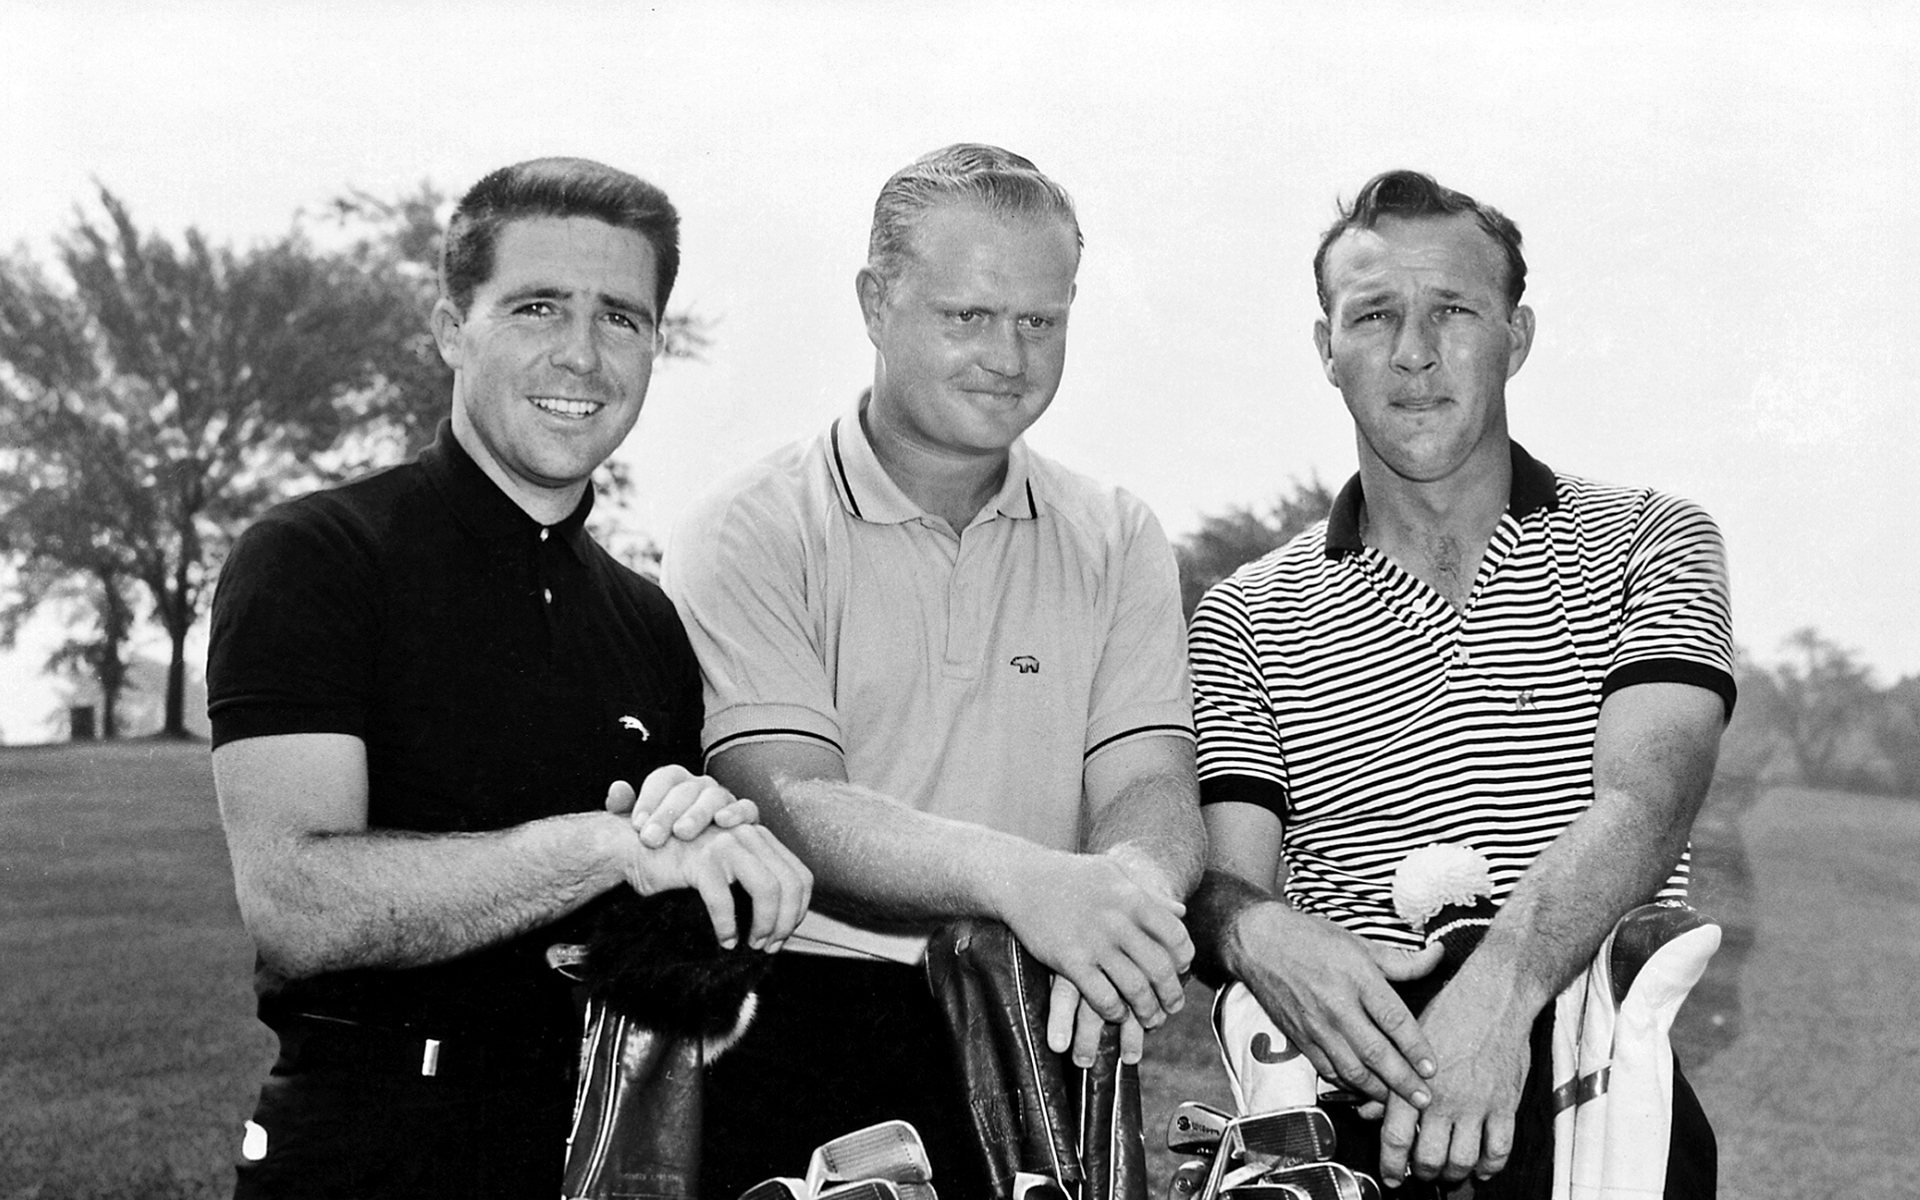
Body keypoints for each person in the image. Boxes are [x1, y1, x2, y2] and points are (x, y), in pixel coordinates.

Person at [206, 157, 812, 1200]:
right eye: (538, 307)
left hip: (593, 1147)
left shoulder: (645, 619)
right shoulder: (317, 555)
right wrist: (605, 846)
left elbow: (654, 971)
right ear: (453, 327)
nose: (582, 352)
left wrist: (713, 868)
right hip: (368, 1154)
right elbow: (297, 906)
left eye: (620, 317)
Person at [663, 143, 1206, 1196]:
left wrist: (1126, 900)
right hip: (800, 1019)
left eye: (1040, 321)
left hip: (1045, 1010)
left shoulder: (1118, 531)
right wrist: (1031, 882)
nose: (1008, 355)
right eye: (969, 316)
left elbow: (1148, 783)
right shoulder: (749, 525)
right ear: (876, 303)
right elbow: (792, 799)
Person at [1186, 169, 1734, 1196]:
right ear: (1327, 348)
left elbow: (1648, 800)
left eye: (1453, 311)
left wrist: (1496, 1002)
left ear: (1516, 336)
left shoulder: (1653, 538)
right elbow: (1225, 880)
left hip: (1599, 1099)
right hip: (1355, 1120)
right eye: (1374, 315)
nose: (1413, 352)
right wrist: (1256, 931)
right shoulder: (1244, 612)